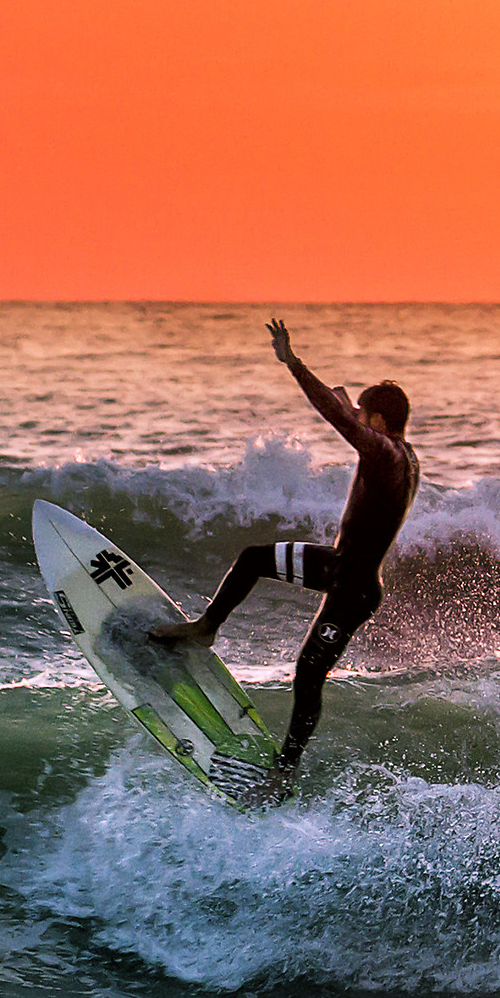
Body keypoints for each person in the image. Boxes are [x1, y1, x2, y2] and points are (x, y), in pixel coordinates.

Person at [153, 318, 418, 786]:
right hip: (339, 568)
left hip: (354, 589)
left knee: (307, 675)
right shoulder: (403, 452)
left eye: (363, 416)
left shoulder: (384, 454)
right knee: (254, 557)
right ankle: (206, 628)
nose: (357, 422)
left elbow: (336, 417)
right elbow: (345, 412)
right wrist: (345, 401)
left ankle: (285, 772)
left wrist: (294, 364)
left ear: (378, 422)